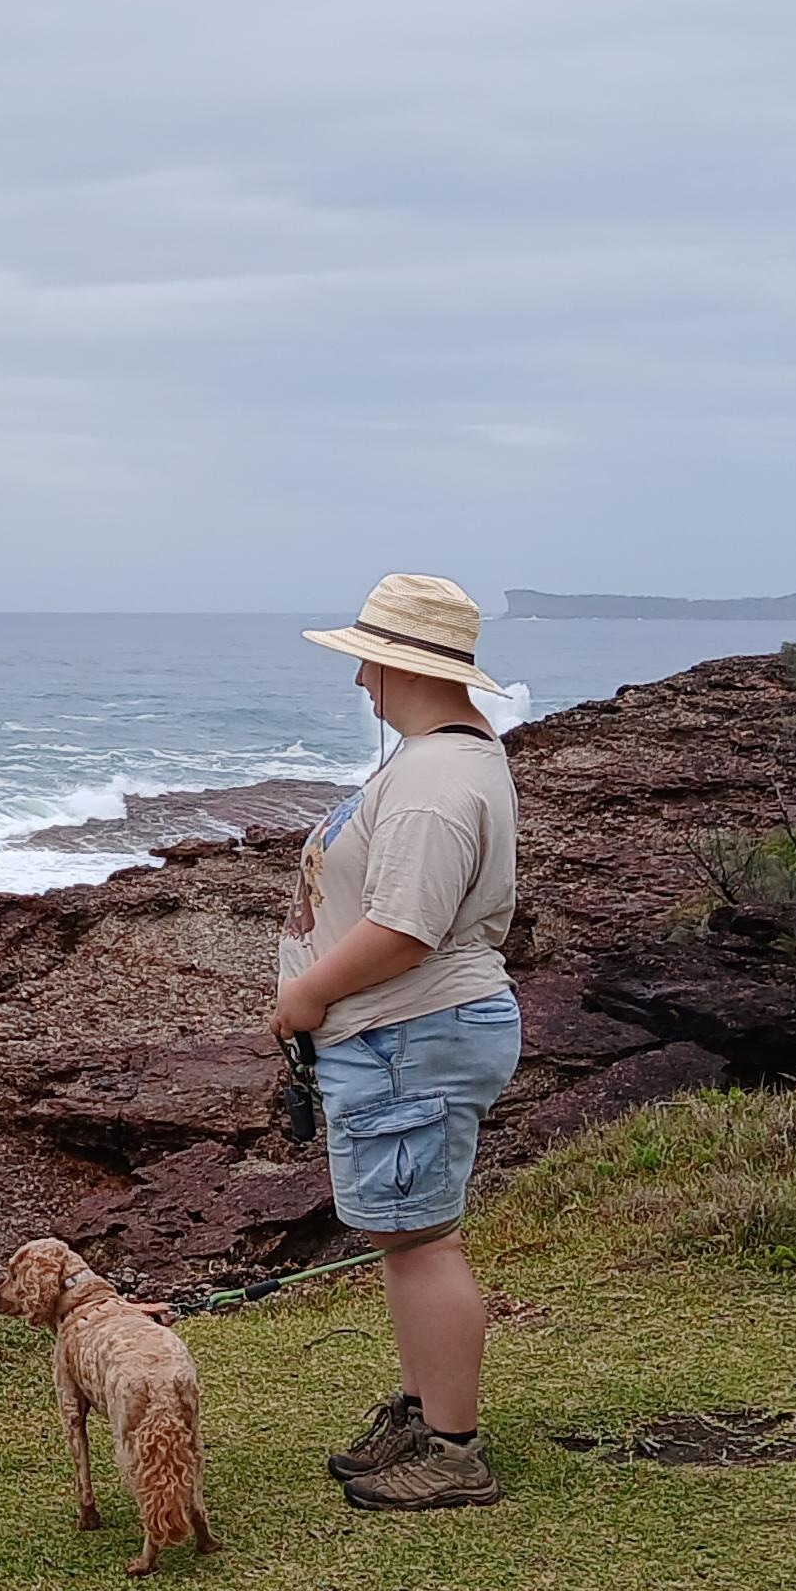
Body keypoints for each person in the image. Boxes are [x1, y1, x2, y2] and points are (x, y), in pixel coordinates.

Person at [271, 574, 522, 1512]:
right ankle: (424, 1416)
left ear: (399, 663)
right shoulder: (446, 758)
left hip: (405, 1033)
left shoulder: (431, 783)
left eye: (367, 660)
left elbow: (405, 928)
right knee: (404, 1234)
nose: (361, 681)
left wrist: (303, 997)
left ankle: (453, 1449)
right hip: (403, 1033)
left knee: (421, 1241)